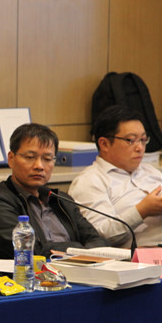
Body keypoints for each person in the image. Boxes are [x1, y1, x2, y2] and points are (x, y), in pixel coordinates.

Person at [0, 123, 108, 260]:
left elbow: (98, 240)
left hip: (75, 269)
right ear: (11, 159)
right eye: (30, 157)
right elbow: (28, 250)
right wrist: (78, 250)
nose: (39, 166)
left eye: (47, 159)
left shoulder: (61, 200)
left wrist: (78, 252)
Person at [68, 105, 162, 247]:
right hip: (137, 256)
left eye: (143, 140)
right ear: (104, 144)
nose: (140, 148)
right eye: (131, 140)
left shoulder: (151, 172)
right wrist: (142, 210)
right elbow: (98, 236)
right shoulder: (89, 181)